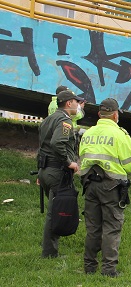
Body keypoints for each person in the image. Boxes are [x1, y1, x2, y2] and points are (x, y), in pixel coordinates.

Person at [79, 98, 131, 277]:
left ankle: (89, 267)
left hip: (90, 185)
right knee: (111, 227)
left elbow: (81, 157)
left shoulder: (88, 133)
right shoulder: (120, 134)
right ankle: (109, 270)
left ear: (99, 114)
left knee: (93, 227)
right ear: (115, 114)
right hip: (111, 187)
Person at [37, 90, 84, 258]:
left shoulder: (48, 119)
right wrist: (68, 162)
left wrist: (40, 172)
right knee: (54, 213)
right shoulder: (65, 121)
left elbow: (43, 146)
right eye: (76, 102)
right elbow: (58, 143)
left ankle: (51, 249)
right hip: (57, 171)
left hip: (45, 171)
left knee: (55, 211)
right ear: (68, 103)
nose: (78, 105)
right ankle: (49, 253)